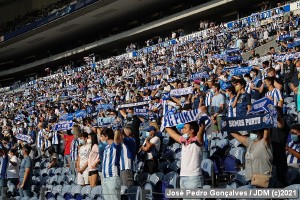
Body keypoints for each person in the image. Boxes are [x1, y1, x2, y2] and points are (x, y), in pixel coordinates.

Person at [165, 121, 203, 199]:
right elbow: (172, 133)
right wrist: (166, 122)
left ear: (191, 131)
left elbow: (200, 132)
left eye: (185, 128)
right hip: (183, 177)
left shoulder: (198, 141)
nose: (182, 130)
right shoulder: (184, 141)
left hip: (194, 178)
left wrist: (202, 124)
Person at [102, 128, 122, 200]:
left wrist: (117, 129)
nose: (101, 138)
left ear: (106, 136)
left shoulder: (115, 145)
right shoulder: (106, 147)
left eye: (102, 136)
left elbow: (116, 138)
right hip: (105, 177)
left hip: (112, 177)